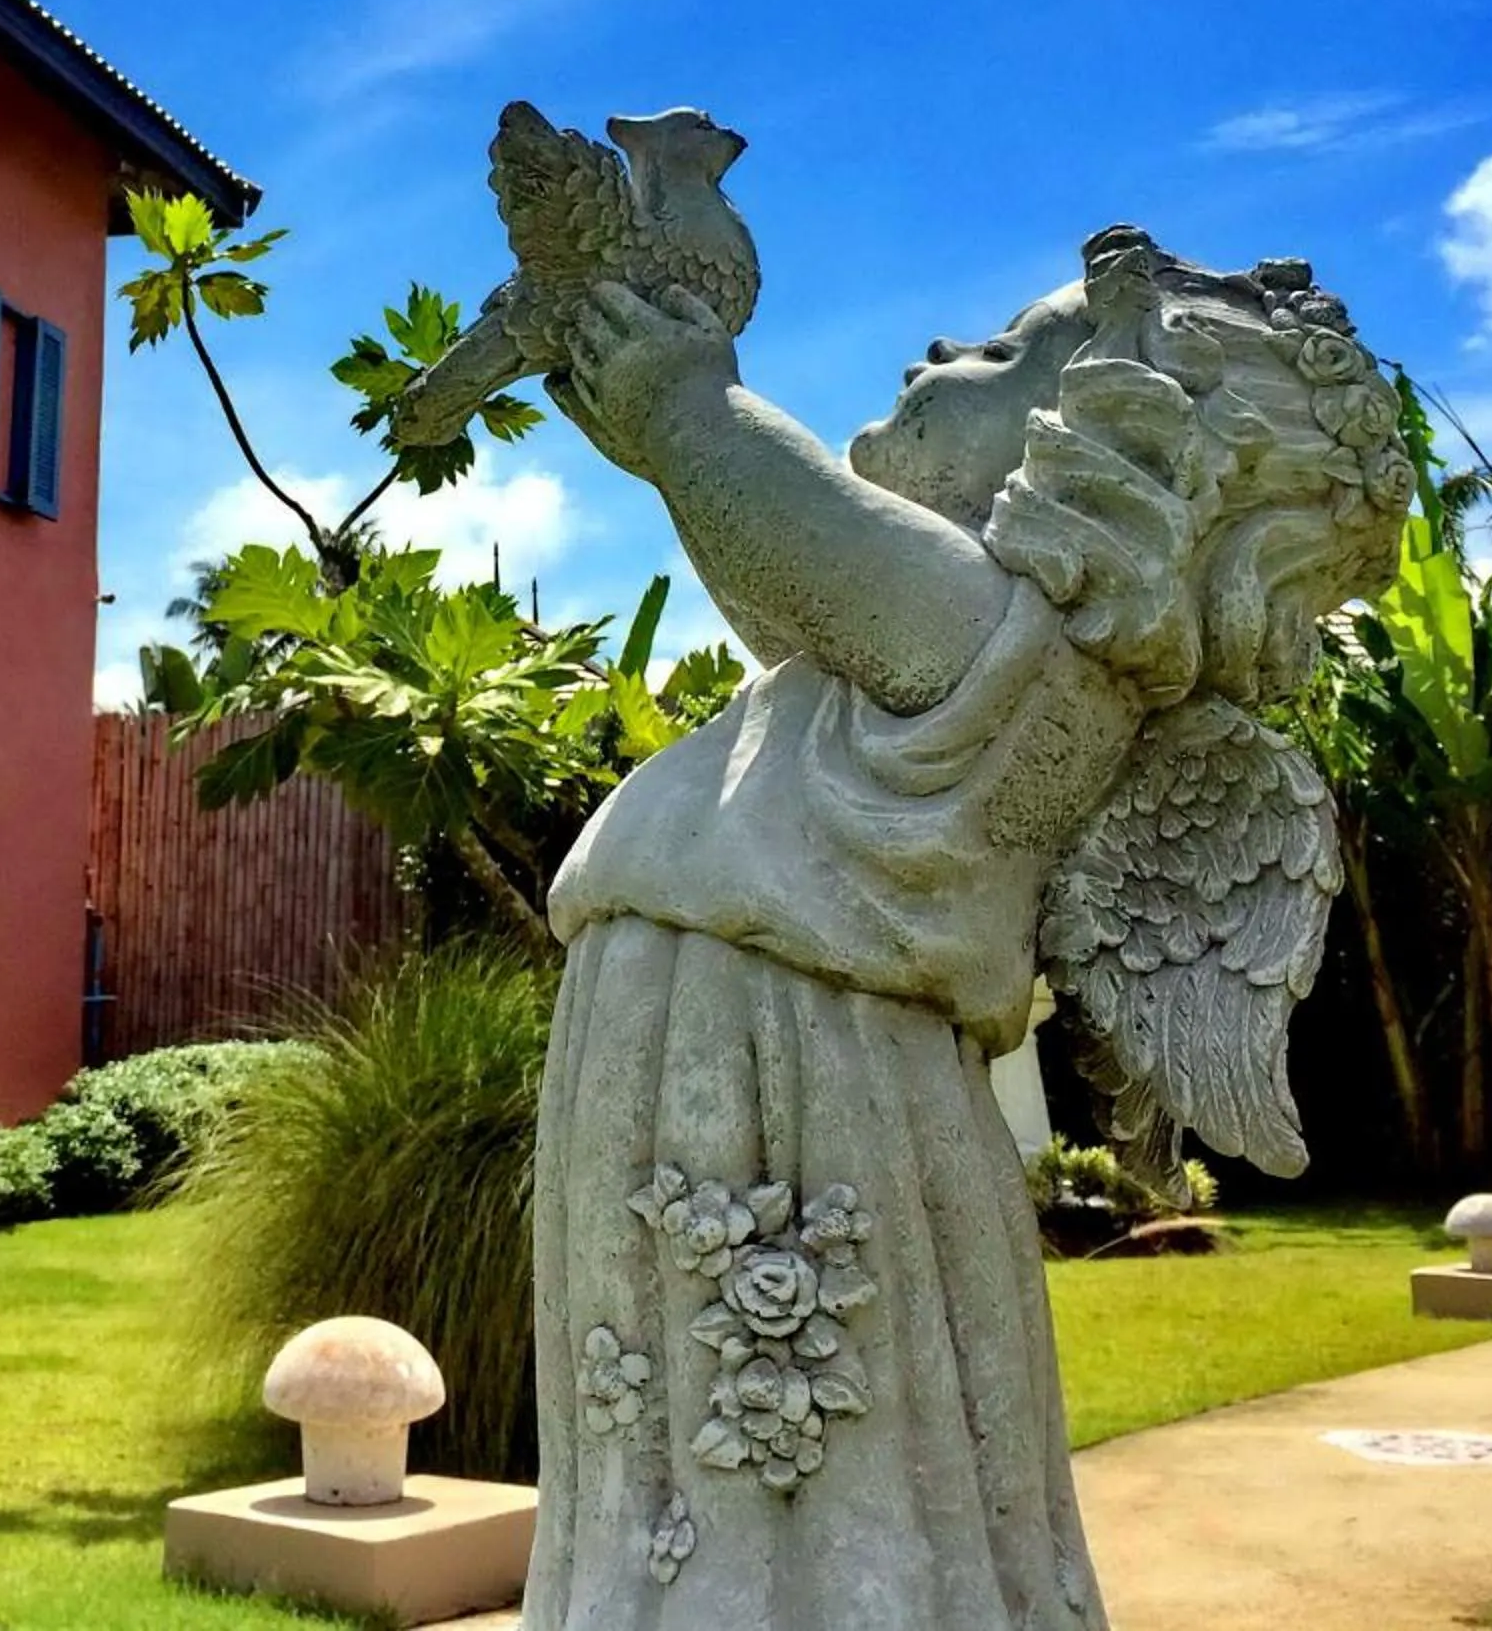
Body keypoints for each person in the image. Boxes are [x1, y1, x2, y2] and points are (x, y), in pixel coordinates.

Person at [523, 224, 1412, 1629]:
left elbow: (777, 512)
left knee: (774, 1492)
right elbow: (773, 563)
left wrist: (682, 405)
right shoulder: (974, 647)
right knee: (721, 1460)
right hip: (763, 1071)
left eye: (1007, 352)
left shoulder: (990, 629)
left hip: (785, 1086)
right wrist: (661, 418)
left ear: (1120, 442)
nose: (942, 355)